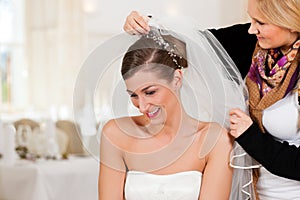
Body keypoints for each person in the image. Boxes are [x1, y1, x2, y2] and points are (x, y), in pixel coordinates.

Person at [122, 0, 300, 184]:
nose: (251, 29)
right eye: (251, 20)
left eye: (260, 23)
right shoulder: (252, 43)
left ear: (290, 21)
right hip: (258, 192)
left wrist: (250, 136)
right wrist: (146, 25)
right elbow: (194, 42)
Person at [98, 20, 248, 199]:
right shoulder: (116, 134)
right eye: (133, 95)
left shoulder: (216, 141)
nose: (142, 106)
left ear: (177, 79)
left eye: (150, 92)